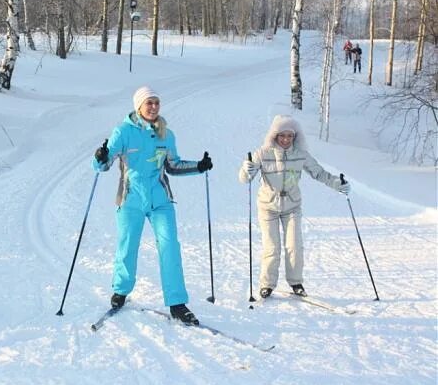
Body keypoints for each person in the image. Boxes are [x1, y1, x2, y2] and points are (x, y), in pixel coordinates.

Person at [92, 86, 213, 325]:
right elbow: (103, 166)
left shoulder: (166, 135)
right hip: (130, 199)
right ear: (139, 106)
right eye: (149, 103)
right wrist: (100, 156)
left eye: (157, 102)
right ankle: (121, 290)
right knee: (128, 245)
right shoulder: (123, 132)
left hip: (160, 200)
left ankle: (177, 303)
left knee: (170, 247)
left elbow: (173, 166)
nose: (154, 107)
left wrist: (199, 166)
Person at [238, 115, 350, 299]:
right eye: (282, 135)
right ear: (275, 135)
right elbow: (244, 179)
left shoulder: (300, 155)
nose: (286, 139)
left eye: (290, 136)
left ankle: (296, 282)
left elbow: (319, 173)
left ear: (295, 137)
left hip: (292, 206)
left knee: (294, 246)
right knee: (272, 247)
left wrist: (339, 184)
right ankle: (267, 284)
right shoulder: (262, 153)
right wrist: (246, 169)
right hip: (268, 207)